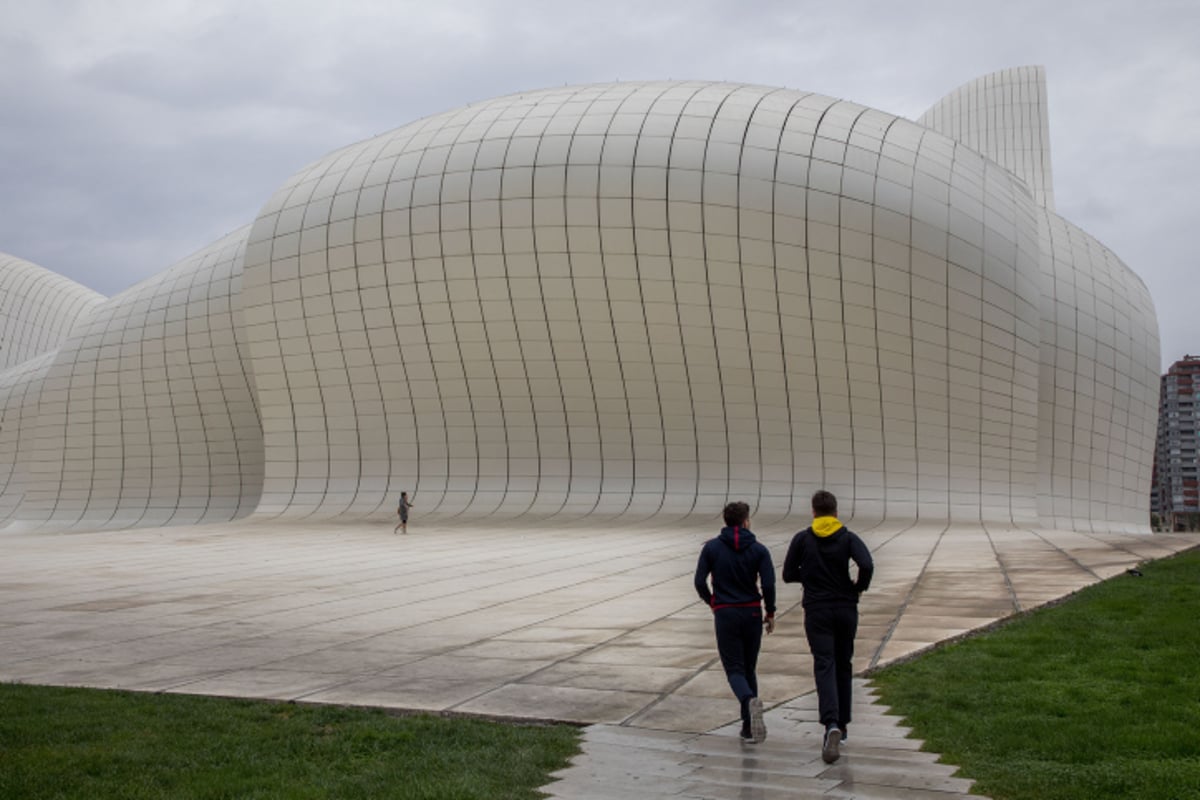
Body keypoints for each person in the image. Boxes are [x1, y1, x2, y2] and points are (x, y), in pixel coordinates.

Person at [782, 489, 873, 764]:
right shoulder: (847, 536)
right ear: (835, 512)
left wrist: (809, 578)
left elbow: (787, 574)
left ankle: (830, 723)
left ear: (813, 512)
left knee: (825, 664)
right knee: (844, 664)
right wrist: (857, 587)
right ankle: (842, 727)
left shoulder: (803, 538)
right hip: (845, 608)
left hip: (817, 610)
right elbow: (866, 564)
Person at [694, 501, 776, 744]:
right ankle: (748, 727)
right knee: (749, 668)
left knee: (734, 670)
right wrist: (770, 612)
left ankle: (748, 701)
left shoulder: (711, 549)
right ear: (746, 521)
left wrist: (712, 602)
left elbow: (699, 581)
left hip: (726, 614)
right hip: (751, 613)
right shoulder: (759, 550)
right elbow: (769, 584)